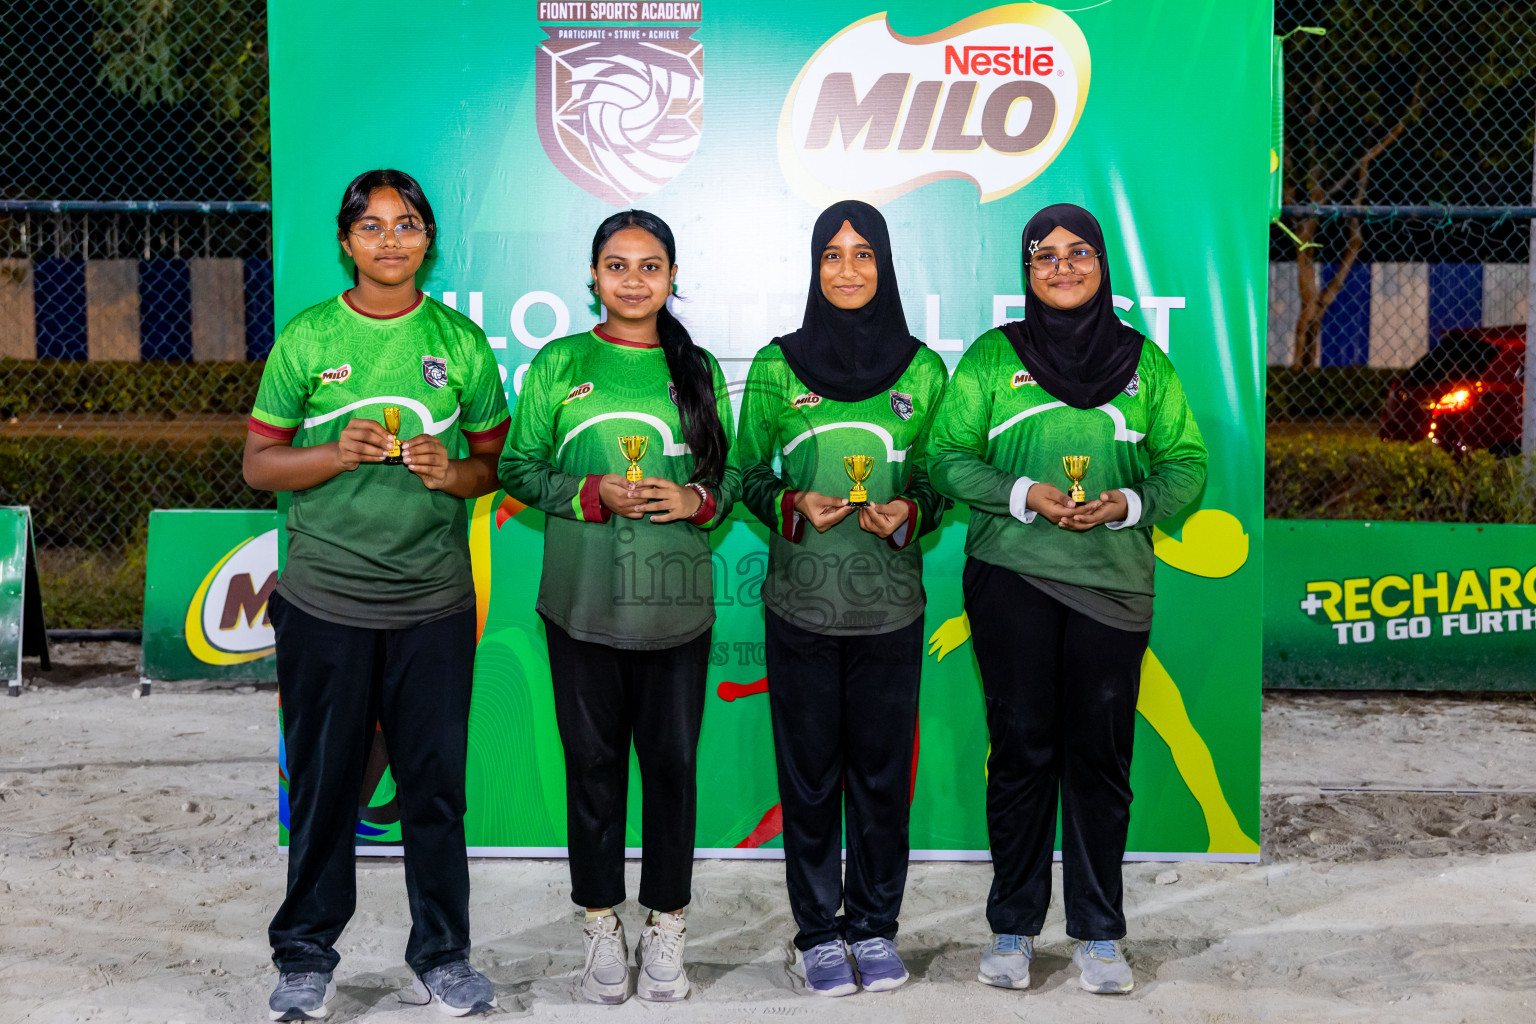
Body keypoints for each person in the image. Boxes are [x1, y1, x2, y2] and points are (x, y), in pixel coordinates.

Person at [244, 168, 507, 1020]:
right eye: (373, 227)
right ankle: (306, 955)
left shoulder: (461, 344)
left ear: (429, 239)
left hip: (433, 603)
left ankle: (443, 953)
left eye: (407, 225)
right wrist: (335, 453)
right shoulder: (310, 338)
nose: (390, 240)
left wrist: (450, 470)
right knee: (325, 785)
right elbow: (259, 464)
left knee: (434, 786)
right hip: (326, 601)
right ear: (346, 241)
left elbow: (493, 464)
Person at [927, 203, 1208, 996]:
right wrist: (1022, 493)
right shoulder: (992, 358)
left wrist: (1128, 504)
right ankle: (1012, 928)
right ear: (1026, 271)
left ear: (1101, 263)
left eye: (1076, 252)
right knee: (1020, 753)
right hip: (1011, 578)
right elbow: (946, 457)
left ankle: (1098, 933)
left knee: (1100, 759)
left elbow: (1186, 462)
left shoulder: (1143, 362)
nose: (1060, 267)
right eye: (1042, 256)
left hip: (1113, 587)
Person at [498, 210, 738, 1005]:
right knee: (593, 771)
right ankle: (600, 924)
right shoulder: (559, 363)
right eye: (617, 265)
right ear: (592, 277)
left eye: (650, 266)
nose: (634, 280)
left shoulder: (696, 368)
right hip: (582, 606)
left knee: (671, 771)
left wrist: (695, 498)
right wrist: (592, 493)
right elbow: (518, 469)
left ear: (674, 278)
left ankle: (667, 927)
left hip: (675, 610)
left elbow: (727, 483)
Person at [732, 200, 949, 997]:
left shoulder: (925, 370)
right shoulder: (777, 366)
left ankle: (875, 926)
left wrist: (909, 510)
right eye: (833, 254)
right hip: (802, 608)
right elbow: (746, 474)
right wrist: (791, 505)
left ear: (885, 266)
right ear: (814, 267)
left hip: (891, 607)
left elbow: (939, 475)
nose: (849, 269)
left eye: (864, 254)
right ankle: (819, 933)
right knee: (812, 776)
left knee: (883, 777)